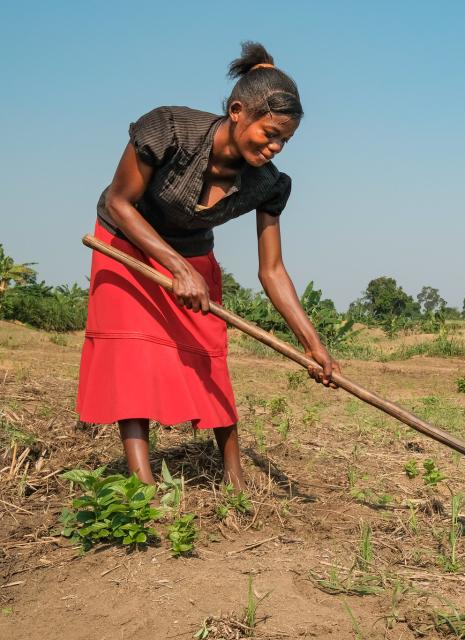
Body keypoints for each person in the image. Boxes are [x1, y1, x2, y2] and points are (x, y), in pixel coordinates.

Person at [76, 42, 340, 489]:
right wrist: (177, 267)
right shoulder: (169, 131)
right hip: (126, 242)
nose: (275, 147)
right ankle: (143, 490)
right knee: (131, 357)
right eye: (269, 133)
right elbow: (120, 202)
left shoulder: (268, 185)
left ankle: (235, 480)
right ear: (238, 111)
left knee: (209, 355)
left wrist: (312, 343)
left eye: (285, 140)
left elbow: (272, 270)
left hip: (192, 255)